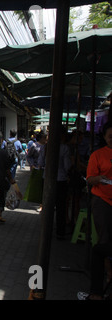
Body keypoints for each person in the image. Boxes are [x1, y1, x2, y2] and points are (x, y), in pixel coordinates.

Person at [80, 121, 112, 300]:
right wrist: (100, 178)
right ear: (105, 137)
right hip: (102, 200)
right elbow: (90, 178)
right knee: (103, 241)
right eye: (110, 136)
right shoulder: (98, 155)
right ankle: (107, 275)